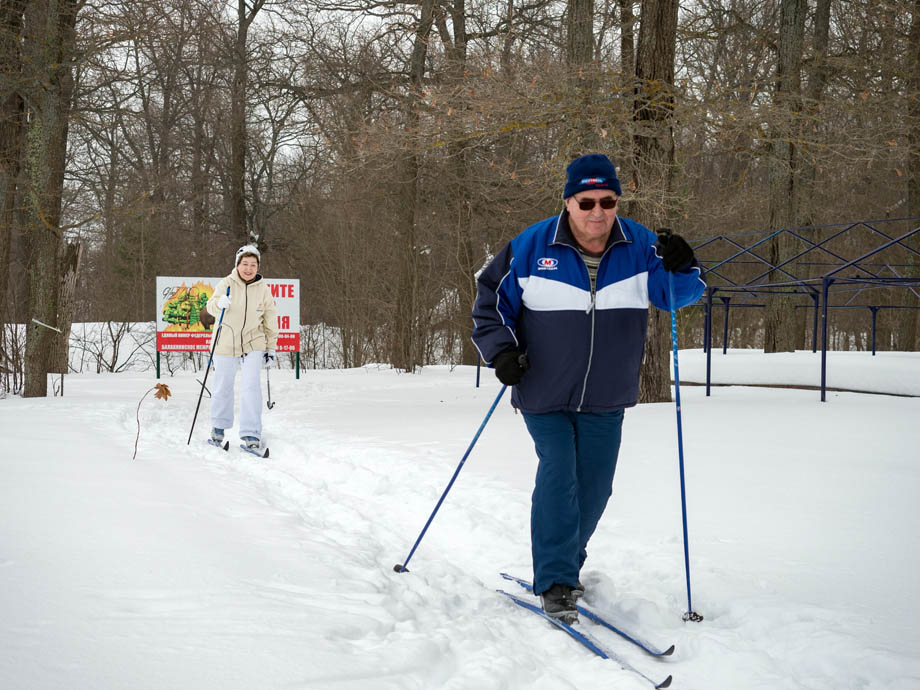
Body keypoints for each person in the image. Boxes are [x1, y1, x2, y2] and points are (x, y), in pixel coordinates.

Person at [472, 153, 706, 622]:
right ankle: (557, 580)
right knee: (560, 476)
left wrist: (683, 268)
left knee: (595, 488)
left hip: (606, 393)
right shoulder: (531, 245)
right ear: (569, 201)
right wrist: (501, 353)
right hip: (542, 389)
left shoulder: (641, 246)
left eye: (608, 201)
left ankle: (566, 559)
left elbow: (675, 298)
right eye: (587, 202)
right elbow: (490, 304)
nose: (597, 211)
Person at [205, 244, 278, 454]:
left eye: (253, 265)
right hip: (226, 342)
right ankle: (218, 430)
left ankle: (251, 434)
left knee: (251, 388)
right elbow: (210, 306)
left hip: (253, 343)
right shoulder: (226, 283)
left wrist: (271, 347)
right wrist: (220, 303)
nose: (248, 268)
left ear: (258, 267)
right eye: (244, 264)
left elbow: (270, 318)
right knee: (222, 387)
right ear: (237, 265)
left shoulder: (263, 288)